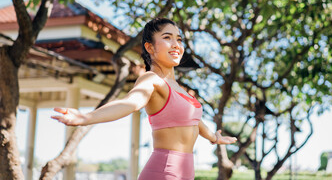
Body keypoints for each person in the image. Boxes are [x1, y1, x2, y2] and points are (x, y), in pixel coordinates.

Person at [51, 18, 237, 180]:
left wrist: (214, 137)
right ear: (150, 47)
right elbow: (131, 102)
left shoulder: (180, 89)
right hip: (164, 172)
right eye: (167, 38)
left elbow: (194, 120)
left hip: (185, 173)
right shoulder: (151, 80)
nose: (176, 45)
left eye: (178, 39)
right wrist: (86, 118)